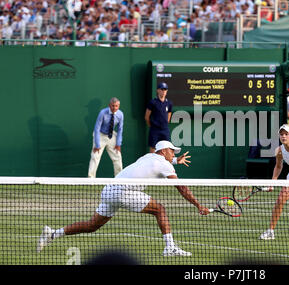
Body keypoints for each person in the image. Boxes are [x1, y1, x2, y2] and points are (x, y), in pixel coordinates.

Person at [37, 140, 207, 256]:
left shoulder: (148, 157)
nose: (173, 154)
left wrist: (176, 160)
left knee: (92, 225)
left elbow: (162, 161)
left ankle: (52, 234)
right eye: (172, 151)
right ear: (163, 151)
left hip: (109, 190)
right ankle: (170, 248)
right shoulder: (163, 163)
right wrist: (198, 205)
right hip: (123, 192)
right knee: (159, 209)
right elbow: (181, 187)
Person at [88, 97, 124, 178]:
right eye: (112, 106)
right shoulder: (102, 113)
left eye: (116, 106)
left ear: (119, 106)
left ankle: (119, 178)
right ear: (109, 105)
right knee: (95, 157)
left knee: (117, 157)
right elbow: (97, 128)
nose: (114, 108)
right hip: (100, 135)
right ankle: (90, 178)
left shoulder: (120, 114)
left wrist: (118, 144)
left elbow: (120, 129)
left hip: (112, 136)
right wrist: (97, 145)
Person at [145, 82, 173, 153]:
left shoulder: (169, 103)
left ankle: (165, 164)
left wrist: (165, 123)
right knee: (153, 148)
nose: (163, 91)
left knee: (167, 147)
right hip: (155, 130)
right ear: (158, 90)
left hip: (165, 129)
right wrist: (152, 126)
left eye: (165, 90)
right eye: (162, 89)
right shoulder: (153, 102)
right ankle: (151, 163)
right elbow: (147, 117)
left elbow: (169, 114)